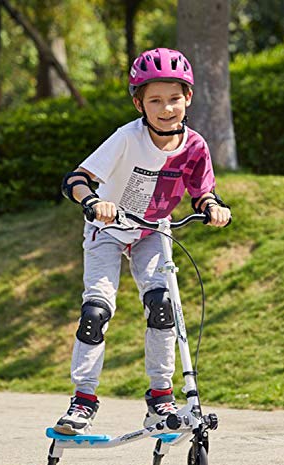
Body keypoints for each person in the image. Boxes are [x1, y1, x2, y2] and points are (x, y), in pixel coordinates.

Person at [53, 47, 232, 435]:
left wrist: (214, 208)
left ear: (188, 98)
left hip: (152, 231)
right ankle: (83, 400)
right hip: (108, 230)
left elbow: (204, 193)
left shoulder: (195, 147)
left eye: (174, 98)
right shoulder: (126, 138)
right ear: (139, 103)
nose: (166, 108)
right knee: (96, 313)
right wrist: (94, 202)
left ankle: (160, 398)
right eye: (155, 100)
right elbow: (75, 180)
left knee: (162, 306)